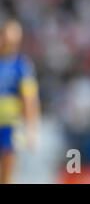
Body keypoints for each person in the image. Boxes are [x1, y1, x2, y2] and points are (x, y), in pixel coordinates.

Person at [0, 19, 40, 184]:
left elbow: (29, 99)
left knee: (7, 175)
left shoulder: (21, 65)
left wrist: (31, 129)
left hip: (11, 126)